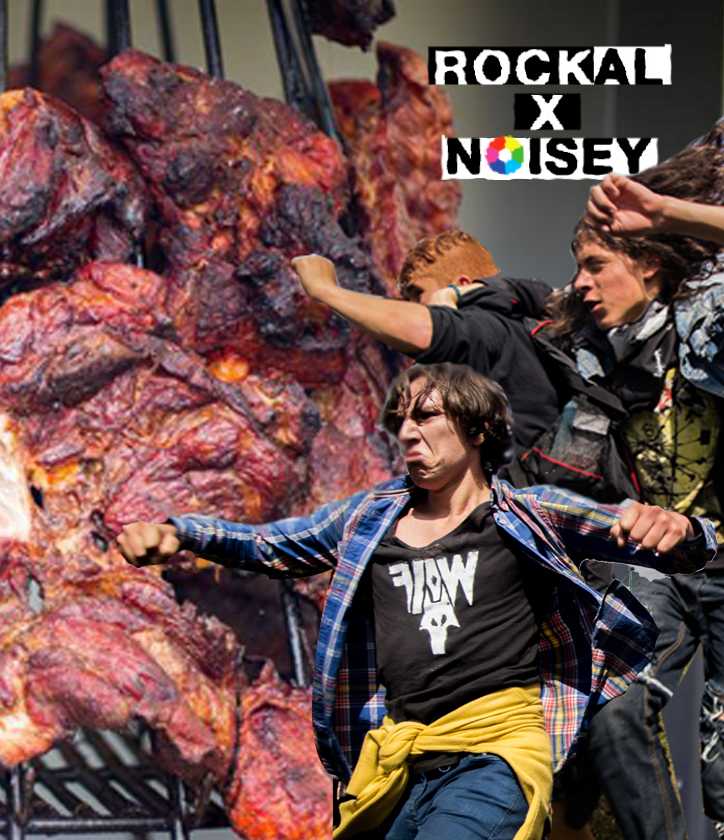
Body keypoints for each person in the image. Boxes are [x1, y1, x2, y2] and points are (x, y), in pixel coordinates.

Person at [117, 362, 717, 840]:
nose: (407, 433)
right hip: (400, 757)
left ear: (478, 430)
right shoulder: (369, 518)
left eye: (427, 417)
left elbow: (673, 542)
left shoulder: (528, 515)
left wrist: (676, 528)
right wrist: (180, 534)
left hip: (495, 752)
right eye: (401, 420)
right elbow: (271, 544)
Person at [559, 147, 724, 837]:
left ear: (649, 263)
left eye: (596, 266)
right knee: (613, 704)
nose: (582, 284)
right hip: (663, 564)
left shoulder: (709, 325)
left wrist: (662, 212)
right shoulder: (596, 355)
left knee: (721, 764)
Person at [291, 236, 558, 465]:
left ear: (462, 285)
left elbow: (424, 331)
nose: (414, 306)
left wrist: (326, 290)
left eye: (418, 295)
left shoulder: (486, 327)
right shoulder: (520, 333)